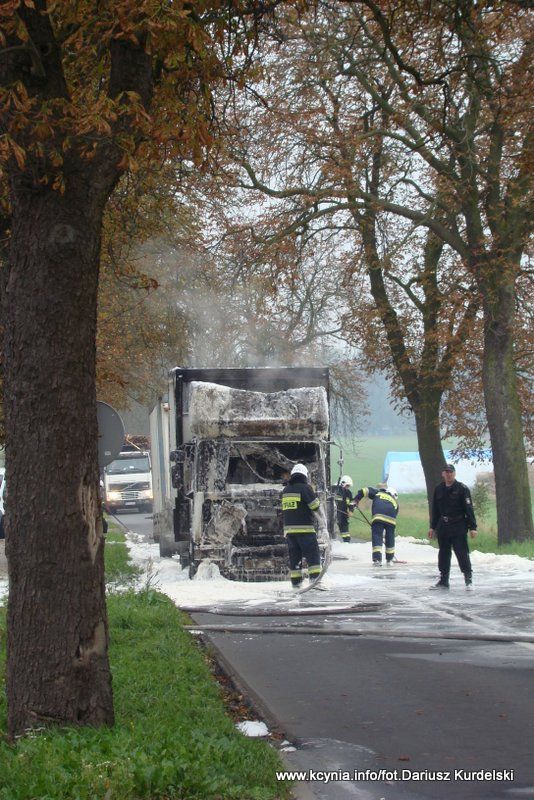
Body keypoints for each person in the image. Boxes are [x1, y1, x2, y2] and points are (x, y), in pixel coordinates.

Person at [428, 464, 477, 590]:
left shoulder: (462, 488)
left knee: (461, 552)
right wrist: (432, 527)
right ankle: (444, 580)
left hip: (458, 525)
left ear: (454, 474)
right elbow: (435, 510)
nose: (448, 474)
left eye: (451, 472)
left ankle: (468, 579)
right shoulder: (439, 489)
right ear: (443, 474)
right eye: (446, 472)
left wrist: (473, 527)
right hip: (443, 526)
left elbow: (468, 508)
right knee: (443, 553)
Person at [282, 463, 328, 588]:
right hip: (305, 529)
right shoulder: (305, 488)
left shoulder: (285, 491)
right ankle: (315, 581)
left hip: (290, 532)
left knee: (295, 557)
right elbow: (315, 507)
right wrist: (324, 525)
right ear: (304, 475)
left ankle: (296, 584)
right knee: (312, 554)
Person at [352, 484, 399, 565]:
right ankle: (390, 559)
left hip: (378, 518)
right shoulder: (395, 502)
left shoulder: (378, 493)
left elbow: (364, 490)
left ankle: (377, 560)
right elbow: (395, 513)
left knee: (377, 536)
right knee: (390, 538)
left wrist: (356, 500)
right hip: (391, 520)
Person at [335, 475, 354, 542]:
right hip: (335, 513)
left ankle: (347, 541)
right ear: (343, 483)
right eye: (347, 485)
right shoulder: (335, 491)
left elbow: (351, 503)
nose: (348, 487)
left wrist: (351, 510)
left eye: (348, 486)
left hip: (344, 514)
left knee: (345, 529)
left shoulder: (348, 493)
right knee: (333, 529)